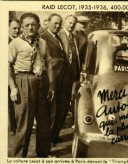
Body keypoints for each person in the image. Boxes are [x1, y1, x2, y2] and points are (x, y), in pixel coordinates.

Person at [8, 12, 55, 157]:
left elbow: (49, 63)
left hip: (42, 82)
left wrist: (52, 85)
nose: (30, 28)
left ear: (38, 26)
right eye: (27, 25)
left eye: (33, 25)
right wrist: (13, 88)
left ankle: (43, 154)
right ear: (22, 27)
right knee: (25, 123)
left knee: (43, 121)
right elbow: (7, 66)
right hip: (24, 81)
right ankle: (18, 157)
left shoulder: (42, 42)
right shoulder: (15, 43)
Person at [40, 13, 71, 144]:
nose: (57, 26)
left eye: (59, 23)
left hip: (63, 77)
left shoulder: (59, 36)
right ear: (48, 22)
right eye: (55, 23)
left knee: (62, 107)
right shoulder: (43, 36)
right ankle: (47, 139)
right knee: (51, 109)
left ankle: (54, 135)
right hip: (51, 77)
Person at [56, 14, 80, 140]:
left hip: (72, 76)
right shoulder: (59, 35)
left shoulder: (74, 37)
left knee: (65, 107)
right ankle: (52, 136)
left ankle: (55, 134)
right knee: (59, 107)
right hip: (61, 76)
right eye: (69, 22)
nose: (71, 25)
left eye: (73, 23)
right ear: (65, 22)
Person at [8, 19, 21, 136]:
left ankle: (16, 126)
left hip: (17, 76)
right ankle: (13, 128)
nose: (17, 30)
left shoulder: (20, 41)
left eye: (18, 28)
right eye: (14, 28)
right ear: (8, 27)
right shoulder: (6, 41)